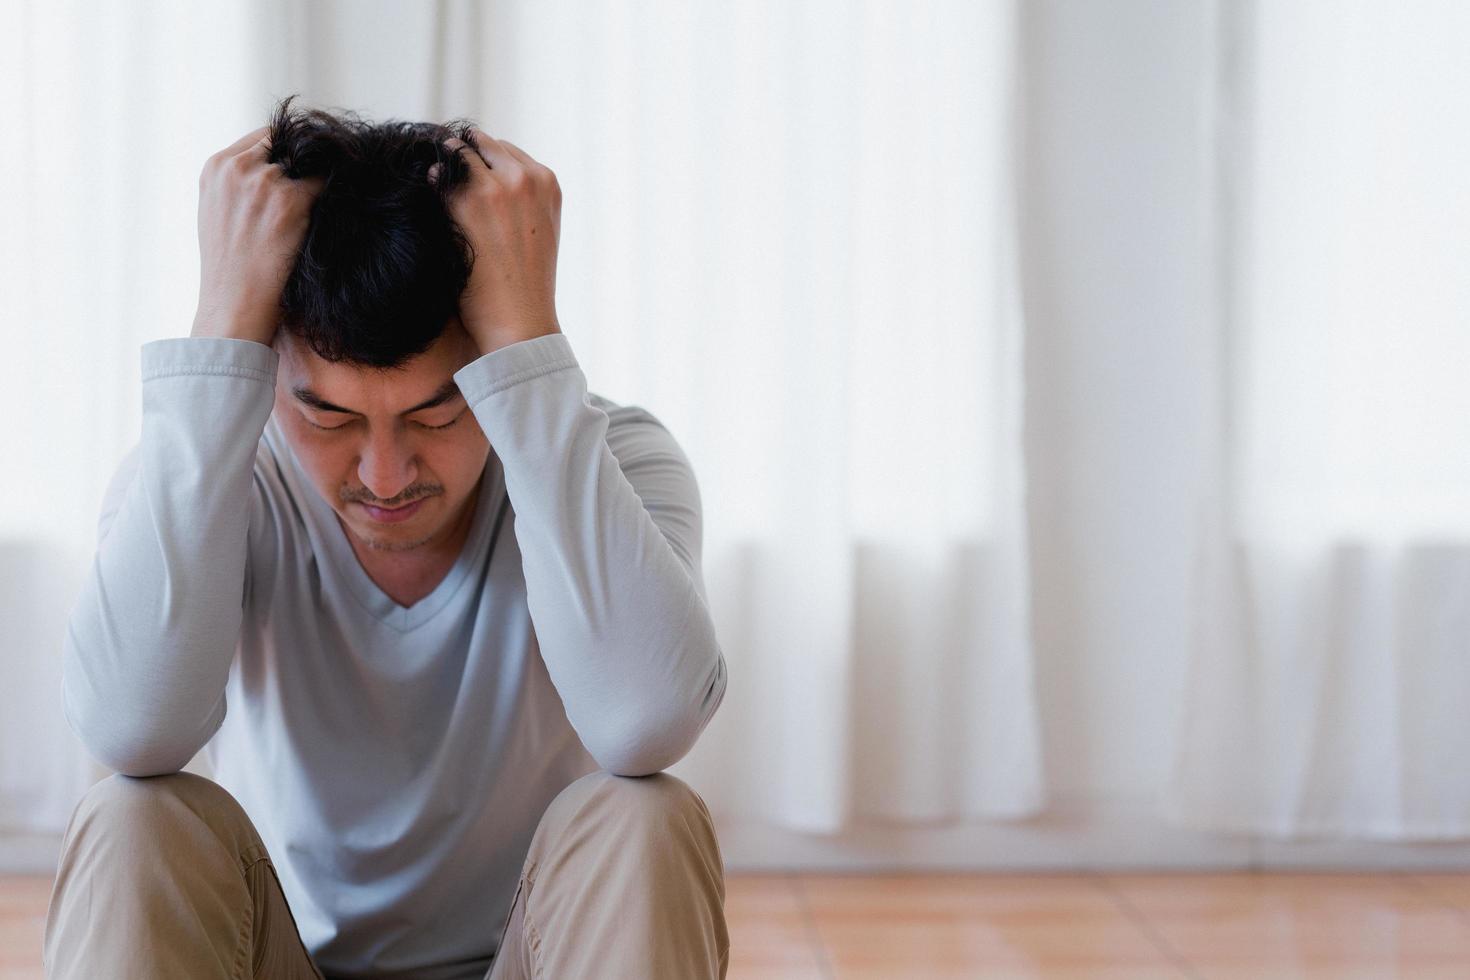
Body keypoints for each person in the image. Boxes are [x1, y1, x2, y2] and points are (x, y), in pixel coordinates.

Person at [42, 94, 730, 980]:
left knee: (648, 817)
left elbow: (647, 721)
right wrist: (222, 330)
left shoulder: (617, 458)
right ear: (274, 370)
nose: (384, 475)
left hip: (525, 961)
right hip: (277, 959)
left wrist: (528, 346)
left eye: (436, 413)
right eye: (326, 417)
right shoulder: (214, 472)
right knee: (129, 817)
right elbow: (128, 726)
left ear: (493, 373)